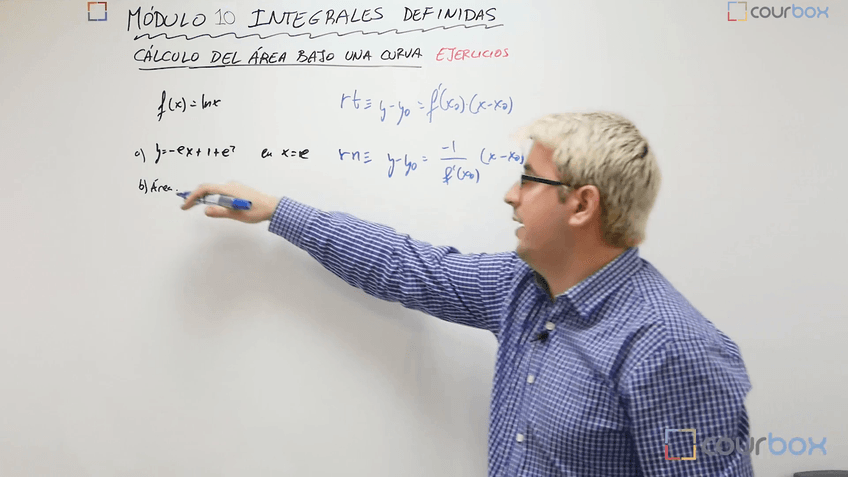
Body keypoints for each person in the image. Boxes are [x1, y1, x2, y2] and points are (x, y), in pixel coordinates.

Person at [181, 112, 753, 476]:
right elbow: (405, 266)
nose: (510, 196)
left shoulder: (671, 347)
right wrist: (277, 211)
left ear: (582, 204)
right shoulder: (524, 289)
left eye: (529, 179)